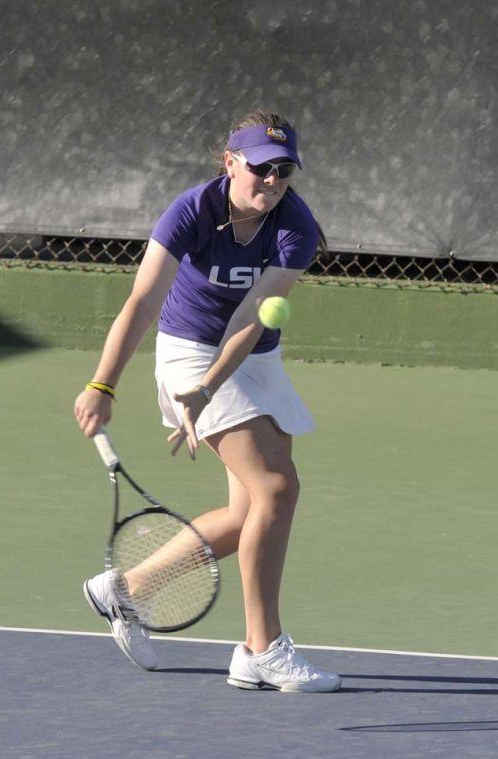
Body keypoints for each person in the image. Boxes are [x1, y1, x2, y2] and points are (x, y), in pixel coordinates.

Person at [74, 111, 341, 693]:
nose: (272, 182)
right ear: (230, 162)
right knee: (277, 487)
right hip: (188, 350)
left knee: (250, 514)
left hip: (249, 358)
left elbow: (252, 317)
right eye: (261, 169)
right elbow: (143, 301)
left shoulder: (295, 224)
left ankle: (126, 590)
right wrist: (103, 384)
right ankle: (260, 648)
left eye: (284, 172)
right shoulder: (191, 210)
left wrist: (211, 388)